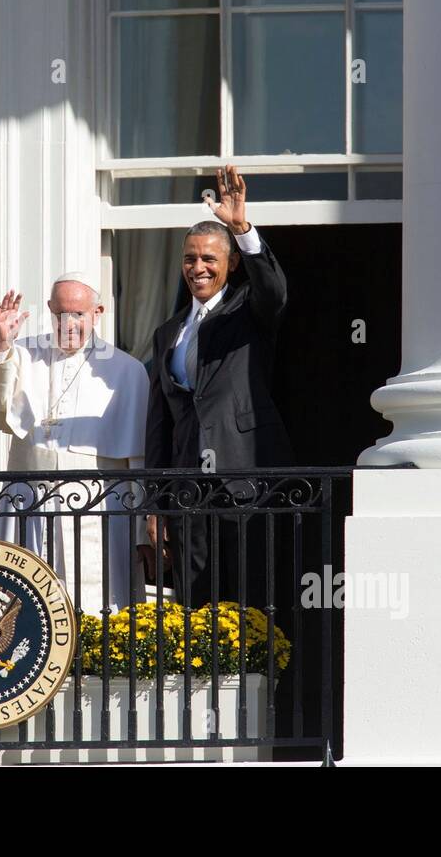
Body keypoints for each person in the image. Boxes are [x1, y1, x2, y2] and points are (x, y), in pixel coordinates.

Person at [144, 165, 293, 609]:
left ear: (229, 264)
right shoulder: (168, 331)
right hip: (188, 487)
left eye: (209, 258)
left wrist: (242, 229)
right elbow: (161, 425)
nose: (198, 267)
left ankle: (255, 680)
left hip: (244, 478)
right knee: (194, 600)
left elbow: (275, 291)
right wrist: (155, 505)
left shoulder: (248, 309)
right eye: (190, 258)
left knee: (250, 594)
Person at [0, 272, 150, 613]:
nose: (68, 323)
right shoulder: (22, 355)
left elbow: (137, 462)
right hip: (30, 506)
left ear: (98, 312)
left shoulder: (128, 371)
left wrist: (141, 532)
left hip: (98, 512)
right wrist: (1, 343)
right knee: (27, 610)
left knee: (98, 606)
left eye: (78, 314)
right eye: (60, 313)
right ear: (50, 309)